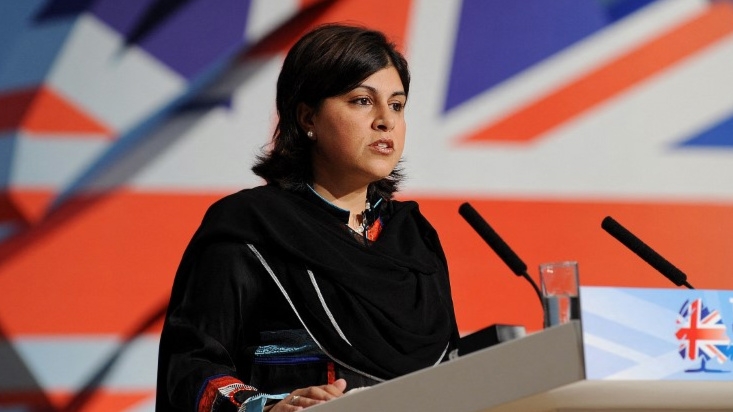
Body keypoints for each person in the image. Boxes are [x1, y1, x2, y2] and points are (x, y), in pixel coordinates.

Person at [156, 23, 459, 412]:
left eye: (397, 105)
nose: (386, 120)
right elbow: (190, 367)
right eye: (362, 101)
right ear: (307, 118)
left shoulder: (414, 239)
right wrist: (264, 407)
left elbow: (453, 369)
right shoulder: (249, 229)